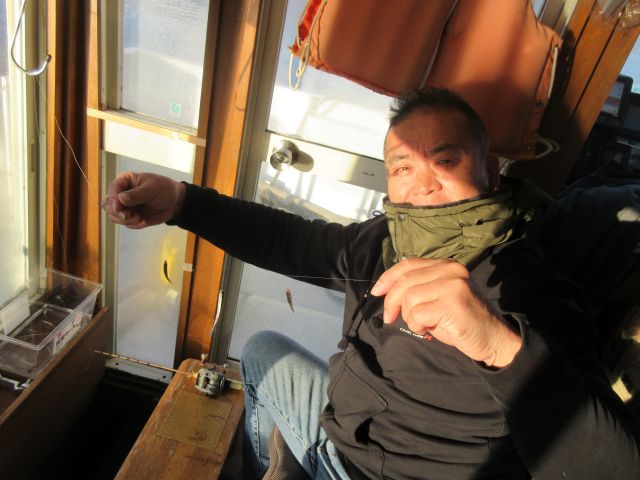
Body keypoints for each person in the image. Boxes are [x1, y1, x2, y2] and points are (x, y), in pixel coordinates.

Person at [103, 88, 640, 479]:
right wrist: (182, 202)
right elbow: (289, 239)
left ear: (490, 171)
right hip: (341, 439)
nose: (422, 184)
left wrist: (498, 346)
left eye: (446, 160)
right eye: (403, 167)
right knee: (262, 350)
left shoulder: (534, 287)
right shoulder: (382, 240)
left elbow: (614, 468)